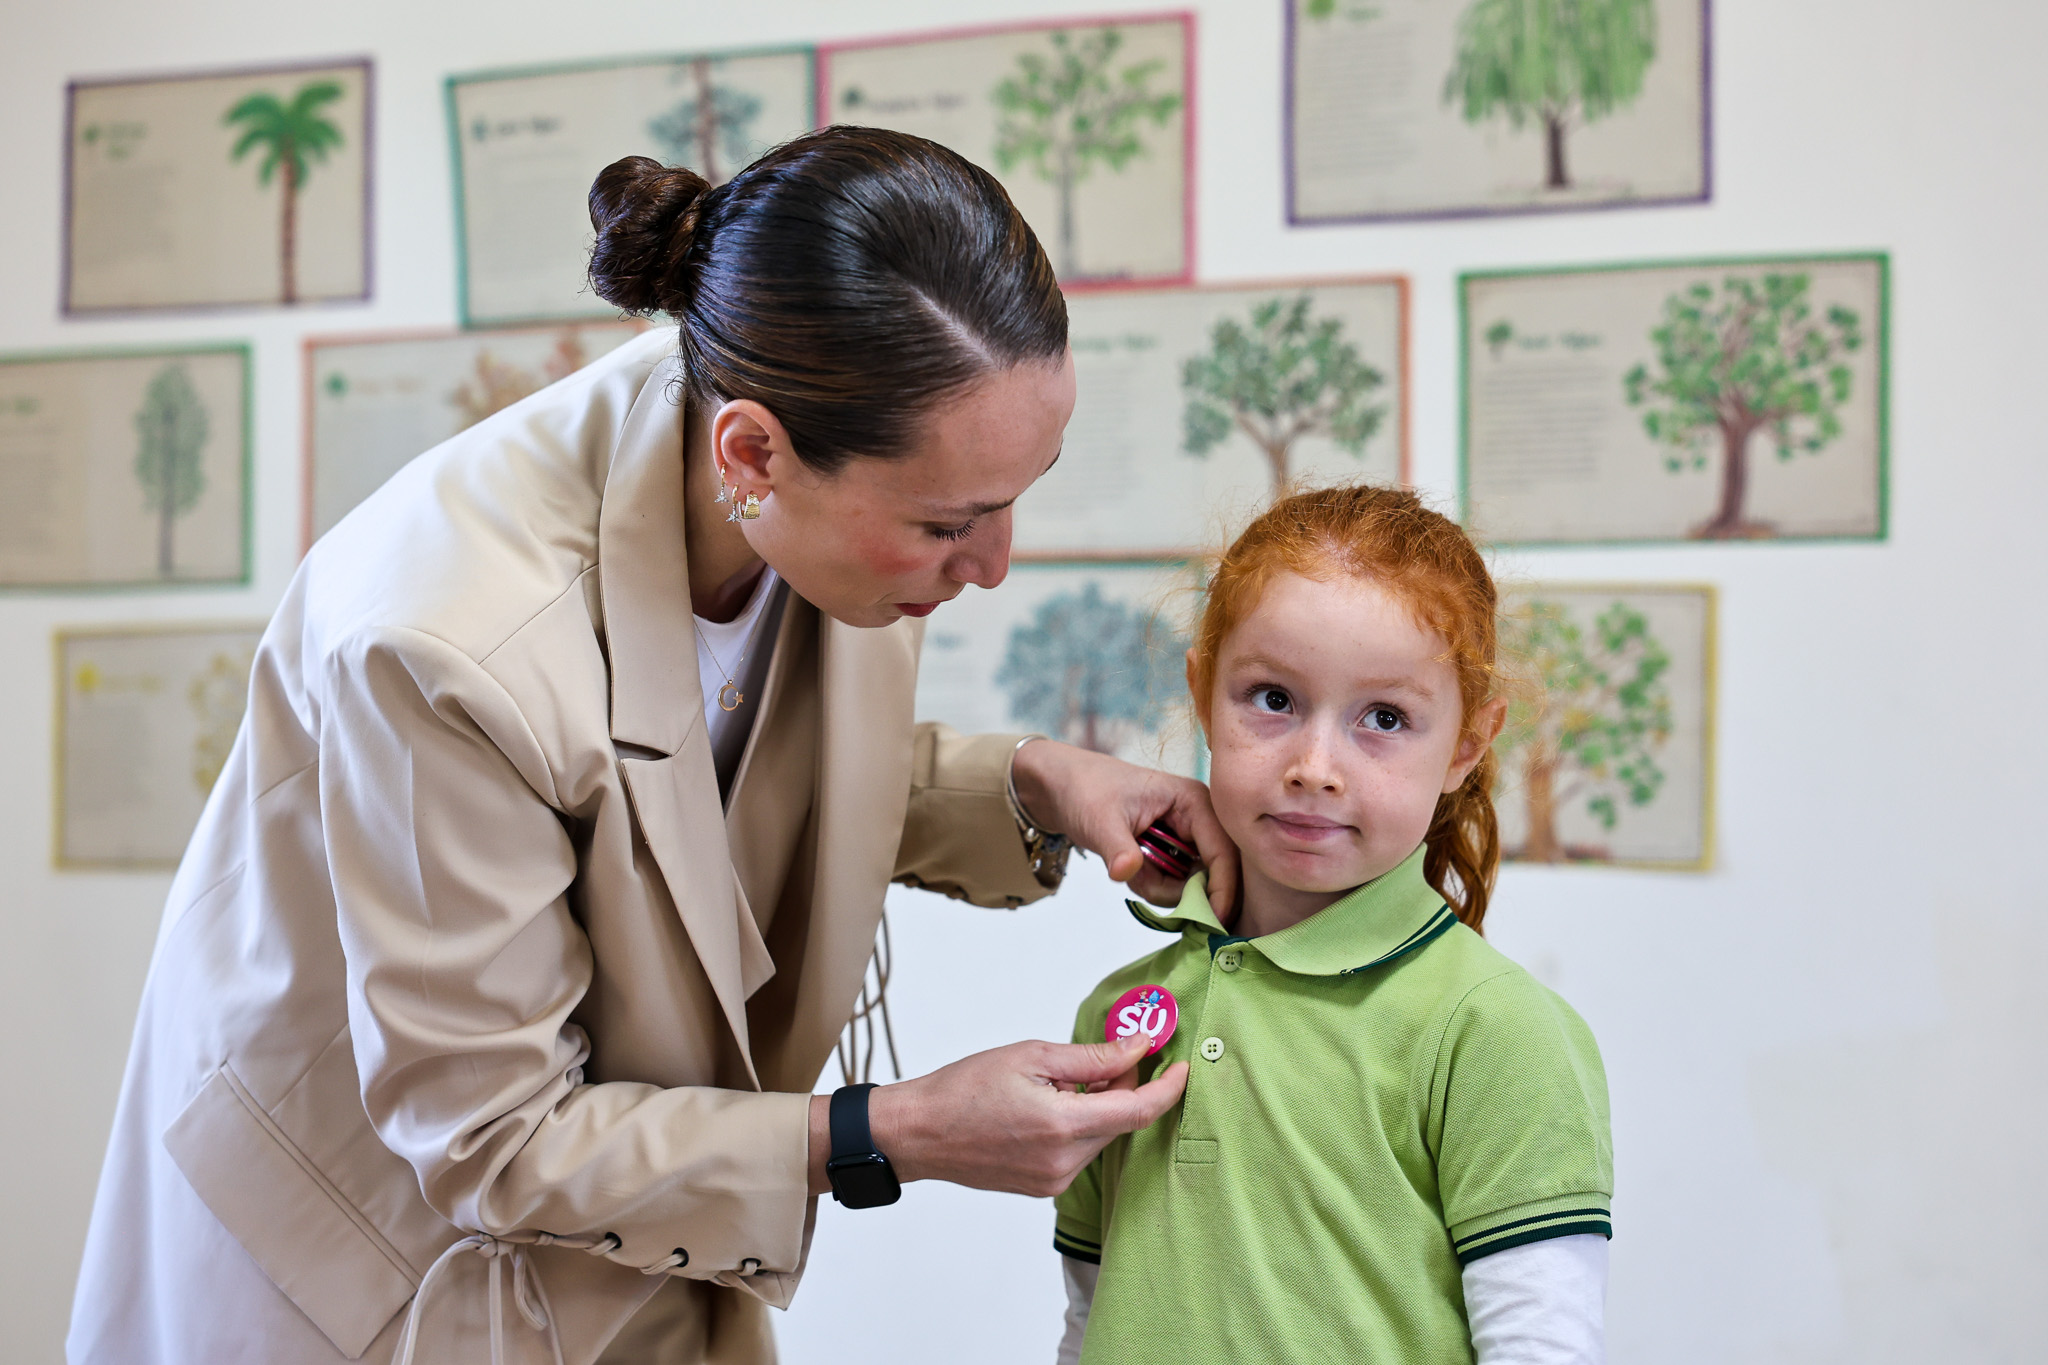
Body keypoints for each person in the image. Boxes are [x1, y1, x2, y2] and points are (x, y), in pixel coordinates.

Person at [67, 127, 1223, 1365]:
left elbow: (705, 781)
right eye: (951, 522)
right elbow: (493, 1134)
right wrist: (890, 1132)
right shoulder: (444, 642)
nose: (992, 565)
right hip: (370, 1259)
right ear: (754, 455)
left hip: (619, 1220)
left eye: (1017, 496)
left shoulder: (778, 467)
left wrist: (1038, 783)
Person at [1052, 485, 1613, 1364]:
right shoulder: (1119, 1014)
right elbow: (1090, 1319)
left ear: (1468, 741)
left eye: (1384, 718)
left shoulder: (1493, 1030)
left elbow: (1541, 1347)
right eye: (1272, 698)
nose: (1315, 767)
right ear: (1203, 691)